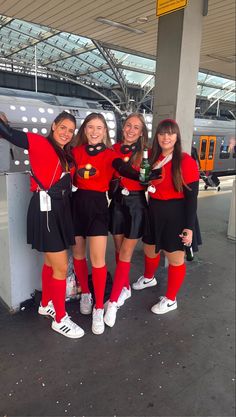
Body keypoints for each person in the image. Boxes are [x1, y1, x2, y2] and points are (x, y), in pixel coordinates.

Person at [0, 111, 85, 338]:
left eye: (70, 130)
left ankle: (46, 304)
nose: (66, 133)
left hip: (61, 209)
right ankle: (60, 318)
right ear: (54, 125)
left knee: (50, 262)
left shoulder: (66, 153)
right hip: (45, 209)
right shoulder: (38, 142)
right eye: (63, 127)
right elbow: (7, 133)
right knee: (59, 266)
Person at [132, 118, 199, 315]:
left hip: (176, 215)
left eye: (170, 133)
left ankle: (171, 299)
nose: (166, 137)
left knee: (175, 258)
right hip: (154, 211)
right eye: (162, 133)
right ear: (157, 137)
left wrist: (189, 227)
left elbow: (192, 197)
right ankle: (149, 277)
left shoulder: (185, 161)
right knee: (150, 249)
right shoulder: (152, 157)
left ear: (176, 136)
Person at [71, 112, 117, 335]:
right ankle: (86, 293)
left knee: (98, 260)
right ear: (84, 130)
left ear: (105, 131)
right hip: (76, 205)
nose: (94, 131)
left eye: (99, 127)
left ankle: (99, 306)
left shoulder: (111, 155)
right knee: (79, 255)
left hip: (99, 207)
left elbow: (127, 172)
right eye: (90, 127)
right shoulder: (75, 152)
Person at [103, 114, 149, 328]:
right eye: (129, 126)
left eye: (136, 127)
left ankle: (113, 302)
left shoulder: (146, 153)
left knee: (126, 253)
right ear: (123, 128)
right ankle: (125, 287)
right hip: (118, 202)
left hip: (136, 204)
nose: (131, 130)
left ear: (141, 132)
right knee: (118, 248)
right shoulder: (113, 149)